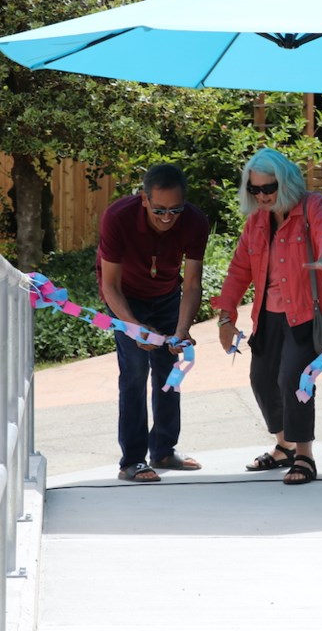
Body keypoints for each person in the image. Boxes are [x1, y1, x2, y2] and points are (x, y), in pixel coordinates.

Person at [212, 148, 322, 485]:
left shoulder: (311, 206)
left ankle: (304, 456)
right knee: (262, 378)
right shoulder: (256, 222)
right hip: (268, 316)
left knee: (294, 380)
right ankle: (283, 445)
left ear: (284, 182)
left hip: (304, 314)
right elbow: (239, 270)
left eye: (268, 188)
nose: (262, 196)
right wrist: (226, 317)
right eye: (254, 190)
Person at [97, 164, 209, 482]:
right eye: (159, 209)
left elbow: (192, 284)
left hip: (167, 297)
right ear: (143, 199)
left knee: (169, 371)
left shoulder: (196, 222)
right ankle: (132, 460)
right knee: (134, 372)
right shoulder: (117, 217)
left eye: (175, 210)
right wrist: (134, 327)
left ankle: (162, 450)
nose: (167, 217)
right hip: (126, 299)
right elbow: (110, 286)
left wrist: (183, 330)